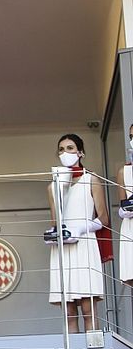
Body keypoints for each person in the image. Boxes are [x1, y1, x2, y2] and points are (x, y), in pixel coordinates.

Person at [46, 133, 108, 333]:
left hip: (84, 243)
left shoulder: (91, 180)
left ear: (80, 152)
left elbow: (104, 218)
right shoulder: (52, 187)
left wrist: (82, 228)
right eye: (62, 149)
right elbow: (55, 221)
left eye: (70, 148)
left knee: (88, 308)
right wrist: (61, 187)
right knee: (69, 312)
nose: (65, 153)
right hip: (64, 248)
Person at [116, 124, 133, 287]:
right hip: (131, 228)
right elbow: (122, 206)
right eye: (131, 137)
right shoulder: (124, 171)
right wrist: (125, 211)